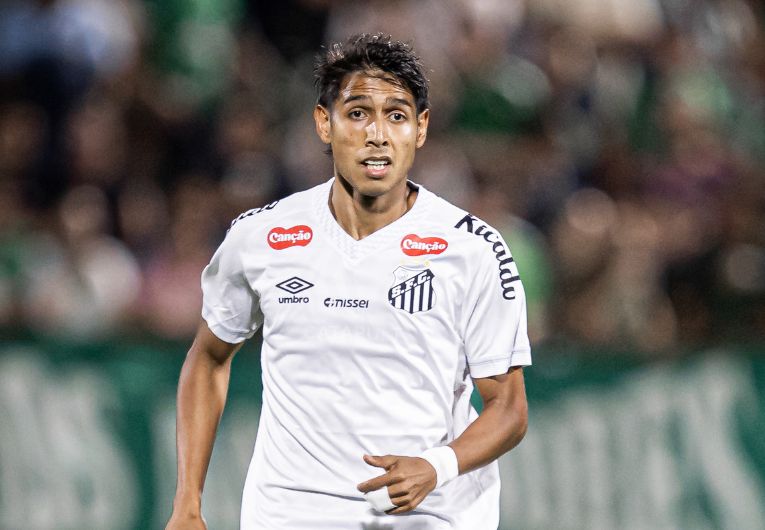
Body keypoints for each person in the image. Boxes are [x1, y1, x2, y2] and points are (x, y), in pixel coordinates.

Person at [165, 33, 530, 530]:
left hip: (425, 516)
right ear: (324, 123)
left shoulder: (473, 249)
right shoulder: (261, 236)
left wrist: (436, 466)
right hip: (289, 515)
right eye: (358, 113)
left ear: (421, 128)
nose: (377, 134)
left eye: (397, 115)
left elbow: (508, 408)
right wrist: (187, 504)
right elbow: (208, 358)